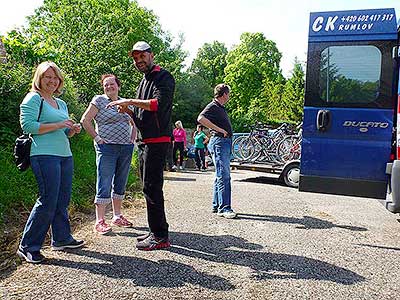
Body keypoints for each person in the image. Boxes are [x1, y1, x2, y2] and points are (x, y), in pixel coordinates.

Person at [106, 41, 174, 251]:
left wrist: (129, 101)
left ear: (151, 55)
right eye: (135, 58)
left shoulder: (164, 77)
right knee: (148, 187)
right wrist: (127, 110)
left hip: (158, 139)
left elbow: (157, 104)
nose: (138, 60)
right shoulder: (143, 81)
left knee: (153, 187)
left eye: (141, 56)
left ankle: (160, 236)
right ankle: (156, 230)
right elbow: (142, 114)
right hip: (145, 140)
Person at [17, 61, 84, 264]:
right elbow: (27, 125)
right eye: (47, 77)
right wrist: (58, 124)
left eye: (55, 78)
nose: (52, 81)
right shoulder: (34, 98)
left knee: (62, 199)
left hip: (64, 154)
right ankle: (28, 246)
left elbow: (64, 132)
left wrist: (72, 129)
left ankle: (62, 238)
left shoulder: (60, 103)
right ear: (39, 78)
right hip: (44, 154)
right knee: (47, 199)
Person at [80, 74, 135, 235]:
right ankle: (100, 220)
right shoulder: (99, 100)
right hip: (106, 148)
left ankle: (117, 216)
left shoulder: (124, 102)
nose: (109, 87)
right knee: (104, 181)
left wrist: (132, 137)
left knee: (121, 181)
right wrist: (97, 138)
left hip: (125, 147)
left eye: (112, 84)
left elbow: (134, 121)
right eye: (106, 85)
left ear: (118, 86)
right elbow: (85, 120)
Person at [197, 83, 237, 219]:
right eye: (229, 94)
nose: (229, 97)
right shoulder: (213, 106)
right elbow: (200, 118)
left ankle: (216, 205)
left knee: (220, 175)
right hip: (219, 142)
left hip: (222, 143)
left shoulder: (219, 107)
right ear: (224, 94)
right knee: (224, 176)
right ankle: (224, 208)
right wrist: (220, 130)